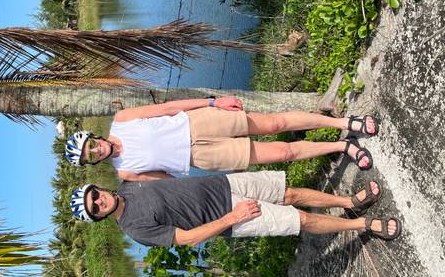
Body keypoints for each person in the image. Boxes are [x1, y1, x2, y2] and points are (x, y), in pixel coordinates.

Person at [64, 97, 378, 181]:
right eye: (89, 156)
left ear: (92, 137)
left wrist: (212, 102)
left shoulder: (122, 120)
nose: (95, 150)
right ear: (92, 161)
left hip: (199, 122)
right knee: (282, 153)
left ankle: (343, 122)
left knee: (274, 123)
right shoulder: (124, 172)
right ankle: (343, 145)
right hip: (201, 158)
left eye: (90, 144)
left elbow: (169, 108)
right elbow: (167, 180)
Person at [69, 171, 401, 246]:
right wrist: (232, 217)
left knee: (291, 194)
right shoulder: (135, 228)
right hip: (231, 217)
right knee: (299, 220)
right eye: (94, 208)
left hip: (226, 183)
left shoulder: (127, 184)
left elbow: (168, 178)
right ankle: (362, 226)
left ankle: (350, 203)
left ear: (98, 188)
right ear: (98, 218)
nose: (99, 201)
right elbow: (186, 238)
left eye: (94, 194)